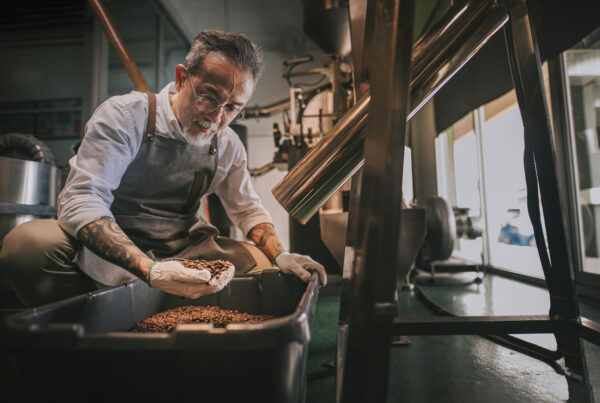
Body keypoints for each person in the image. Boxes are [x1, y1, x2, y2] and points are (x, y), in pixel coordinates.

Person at [0, 30, 326, 307]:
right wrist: (150, 270)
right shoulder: (126, 117)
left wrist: (281, 254)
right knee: (27, 247)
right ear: (182, 77)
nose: (216, 117)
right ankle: (100, 321)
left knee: (265, 266)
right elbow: (81, 200)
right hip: (110, 251)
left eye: (232, 108)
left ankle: (175, 312)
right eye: (210, 97)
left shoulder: (226, 144)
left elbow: (247, 209)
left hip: (184, 249)